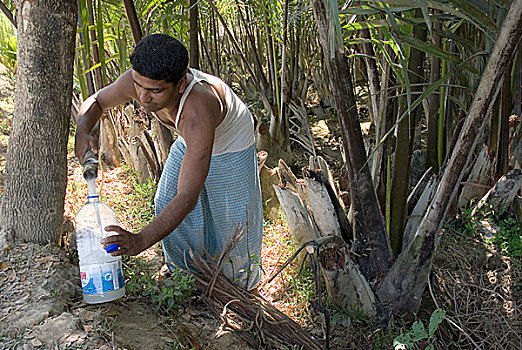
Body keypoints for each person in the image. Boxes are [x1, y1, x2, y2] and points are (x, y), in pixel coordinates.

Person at [74, 33, 263, 291]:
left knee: (233, 220)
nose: (143, 97)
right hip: (190, 138)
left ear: (181, 84)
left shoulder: (196, 114)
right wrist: (83, 130)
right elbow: (96, 101)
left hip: (230, 141)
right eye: (139, 86)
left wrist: (141, 241)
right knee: (164, 200)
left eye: (155, 90)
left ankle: (239, 286)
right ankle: (186, 273)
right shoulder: (140, 81)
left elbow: (187, 197)